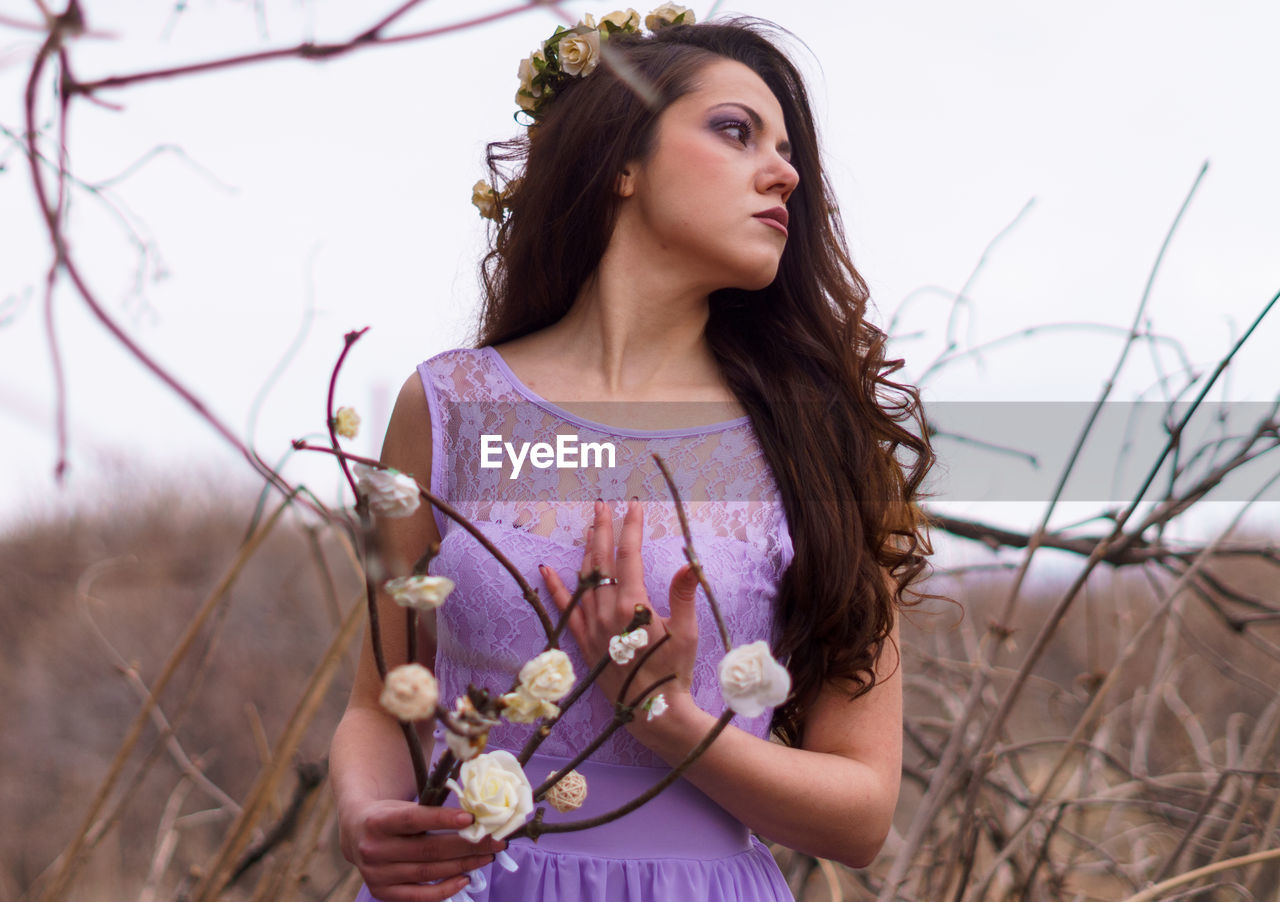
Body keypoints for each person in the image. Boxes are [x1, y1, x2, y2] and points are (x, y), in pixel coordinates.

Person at [330, 10, 935, 901]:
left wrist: (667, 717)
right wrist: (364, 819)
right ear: (621, 159)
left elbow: (861, 815)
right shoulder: (451, 407)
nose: (786, 172)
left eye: (788, 149)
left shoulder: (817, 442)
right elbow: (380, 705)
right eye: (736, 131)